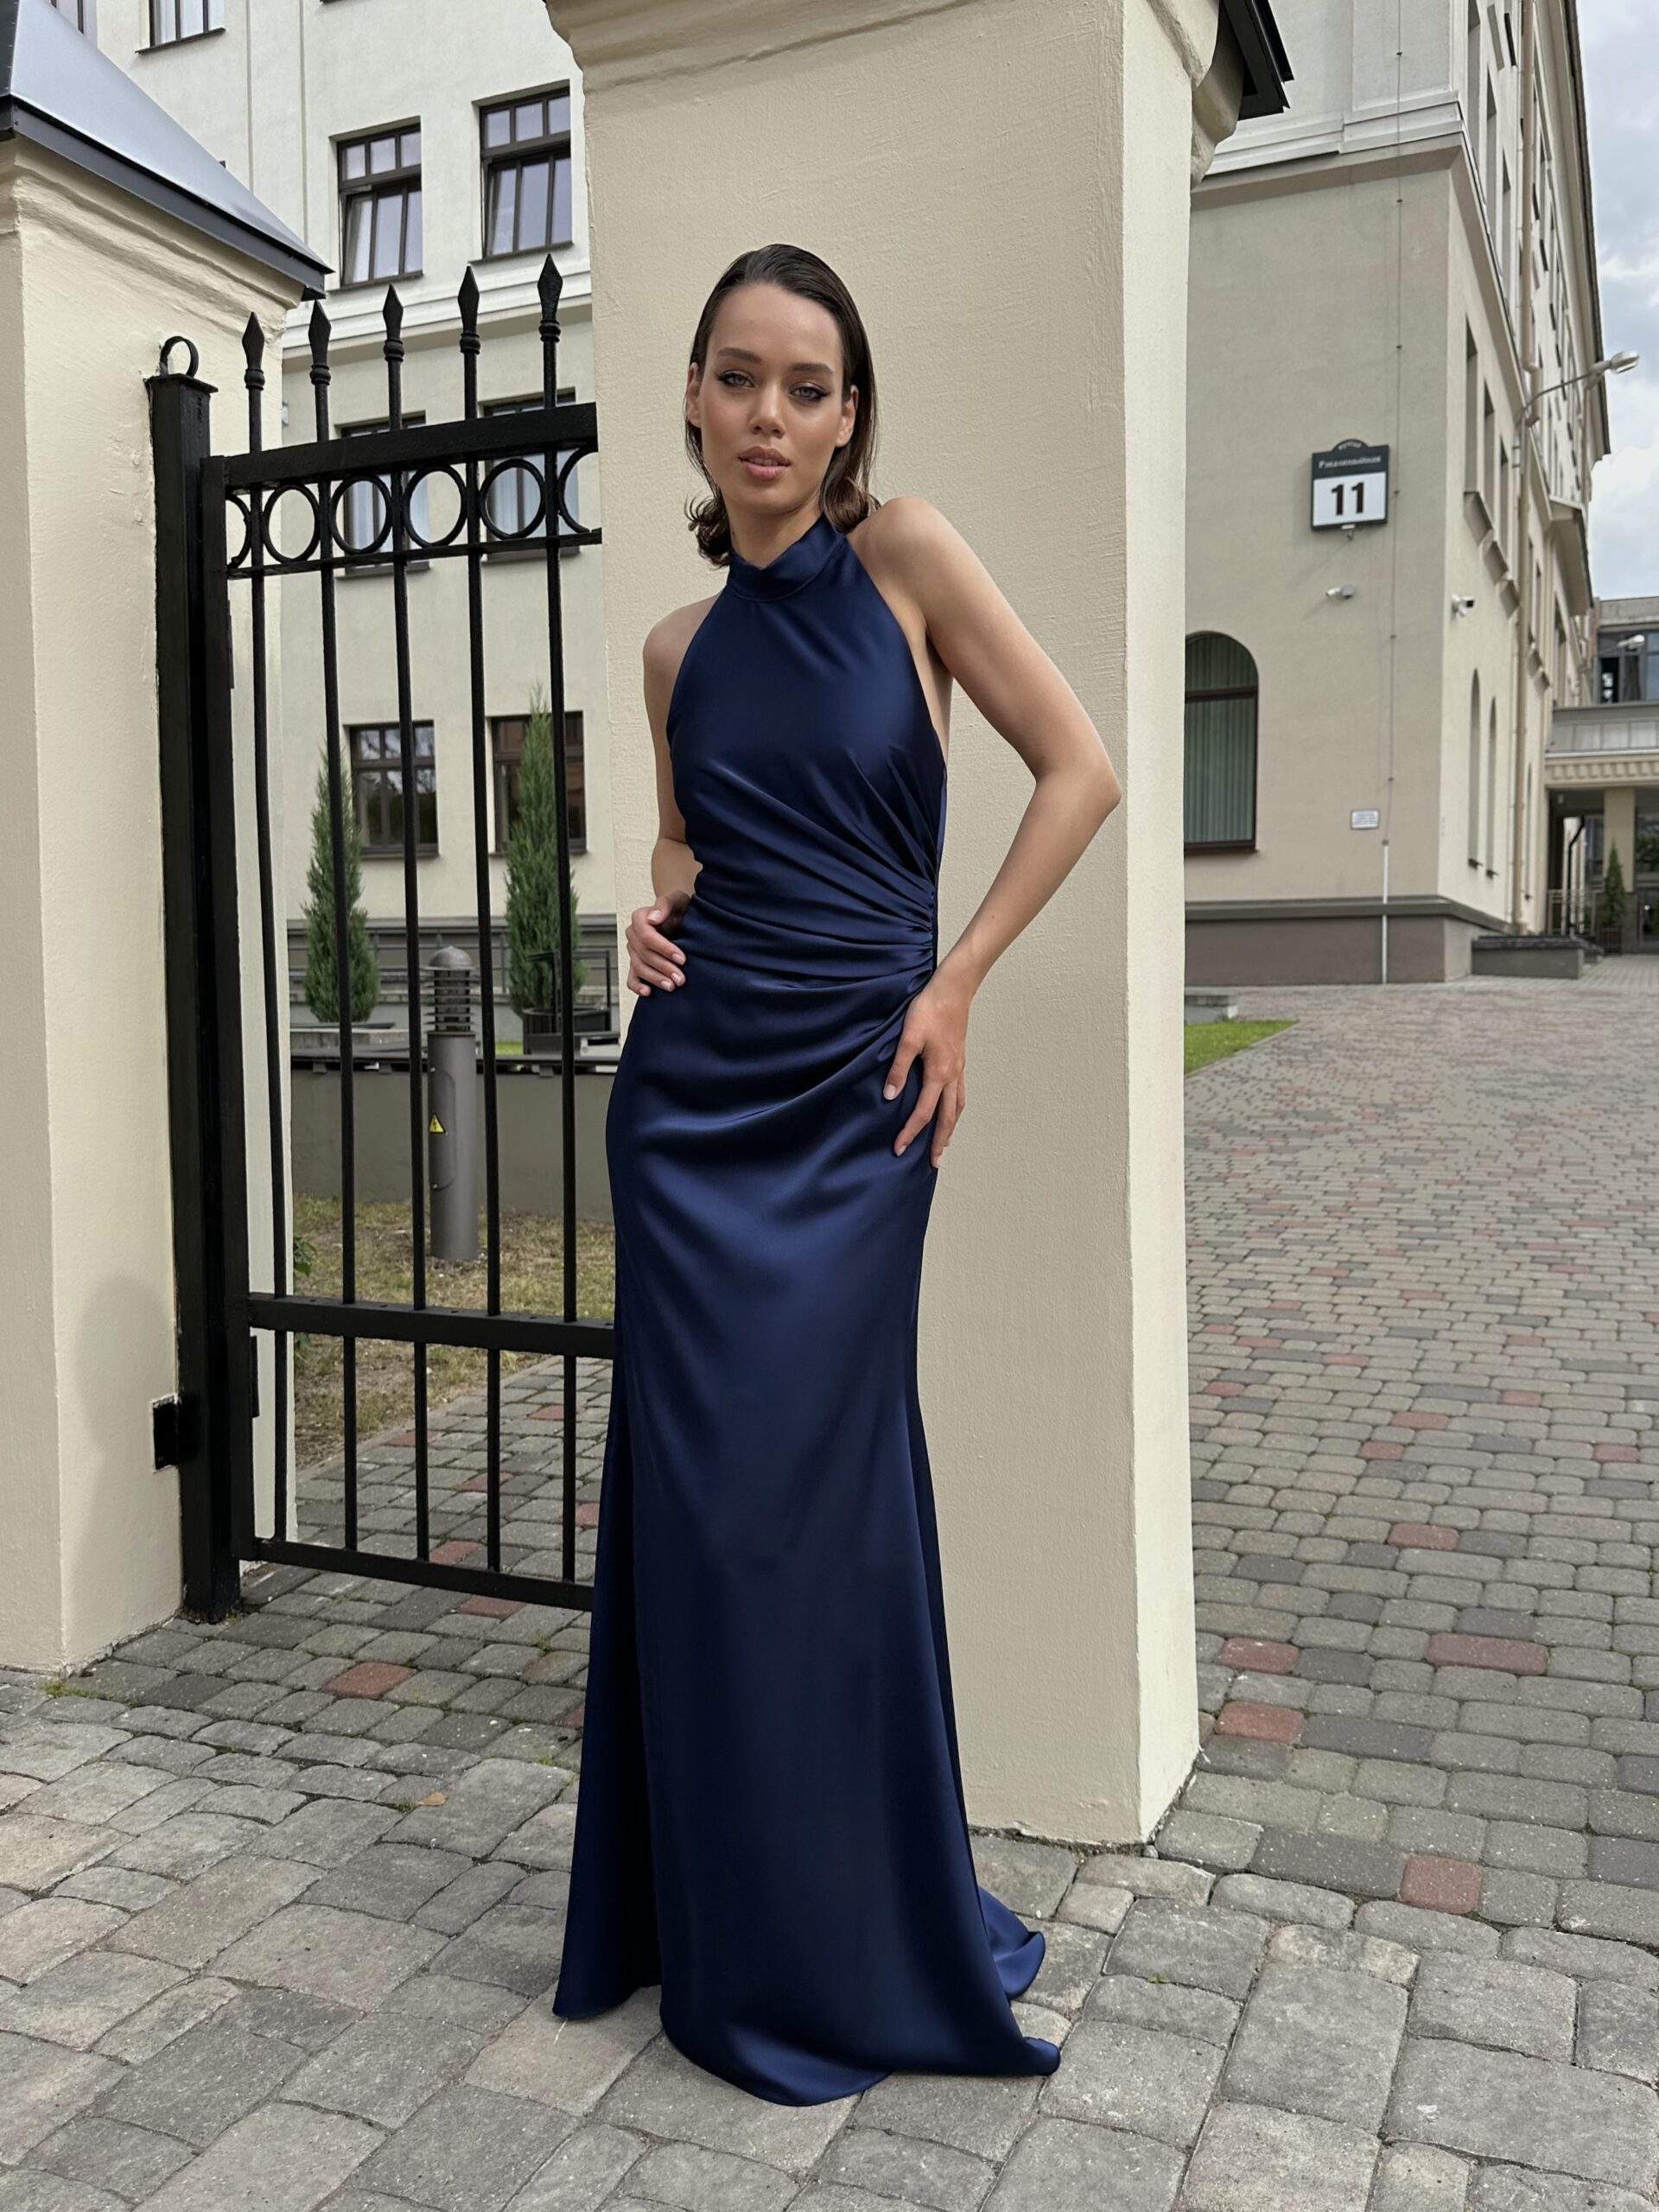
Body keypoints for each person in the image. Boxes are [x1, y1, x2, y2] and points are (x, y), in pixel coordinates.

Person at [550, 242, 1122, 2105]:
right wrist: (649, 917)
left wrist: (957, 981)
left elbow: (1081, 772)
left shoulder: (909, 561)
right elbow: (683, 850)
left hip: (863, 1090)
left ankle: (850, 1922)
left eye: (808, 386)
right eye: (739, 377)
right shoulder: (671, 650)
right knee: (707, 1520)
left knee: (823, 1506)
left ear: (849, 413)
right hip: (693, 1113)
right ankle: (720, 1917)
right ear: (692, 400)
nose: (770, 416)